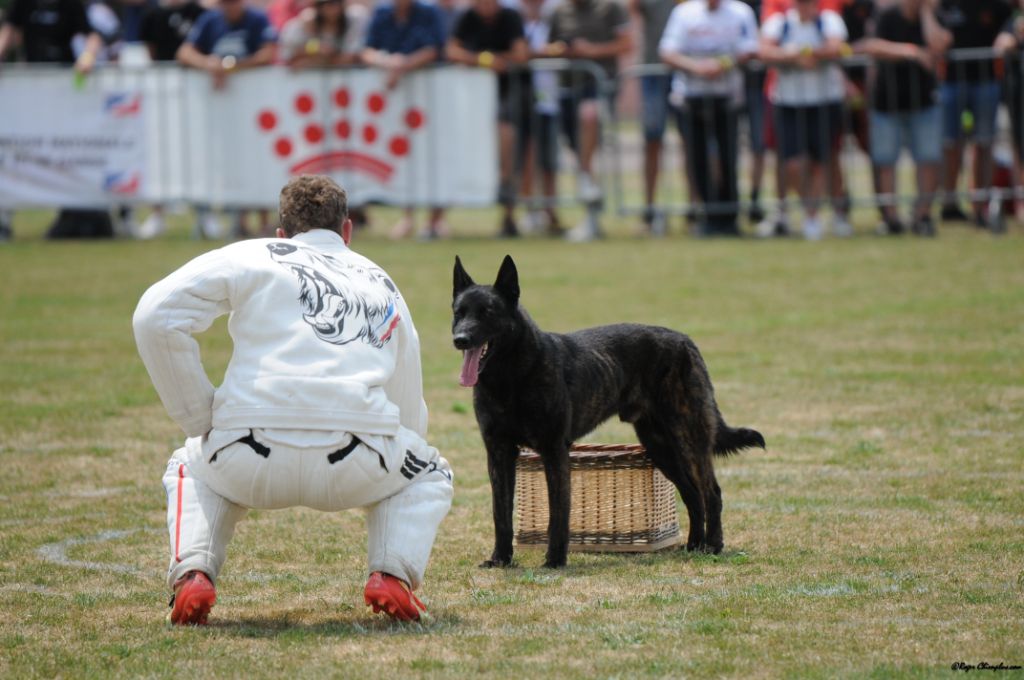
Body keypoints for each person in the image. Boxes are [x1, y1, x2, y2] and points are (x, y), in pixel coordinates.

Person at [132, 175, 453, 625]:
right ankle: (391, 574)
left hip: (244, 449)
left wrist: (197, 416)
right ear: (347, 232)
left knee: (190, 466)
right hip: (358, 457)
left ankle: (193, 573)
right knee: (429, 471)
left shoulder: (251, 253)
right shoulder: (379, 278)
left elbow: (155, 315)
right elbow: (407, 398)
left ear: (280, 233)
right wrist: (399, 455)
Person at [0, 0, 106, 241]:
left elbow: (93, 36)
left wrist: (88, 56)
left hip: (62, 91)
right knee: (16, 152)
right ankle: (5, 217)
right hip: (29, 89)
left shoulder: (70, 4)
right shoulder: (22, 4)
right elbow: (9, 30)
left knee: (67, 151)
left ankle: (72, 213)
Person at [177, 0, 277, 239]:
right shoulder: (210, 20)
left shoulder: (257, 19)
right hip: (221, 110)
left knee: (258, 160)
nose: (228, 6)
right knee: (230, 162)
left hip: (255, 108)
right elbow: (184, 52)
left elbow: (269, 53)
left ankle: (263, 221)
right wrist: (210, 65)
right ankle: (238, 220)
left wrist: (232, 68)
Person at [659, 0, 758, 237]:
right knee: (697, 159)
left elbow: (751, 48)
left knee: (728, 157)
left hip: (728, 97)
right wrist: (696, 67)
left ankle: (729, 217)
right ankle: (709, 216)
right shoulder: (684, 12)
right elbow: (667, 51)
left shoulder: (740, 11)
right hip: (690, 98)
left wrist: (722, 65)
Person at [760, 0, 852, 239]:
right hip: (788, 102)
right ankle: (810, 209)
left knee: (823, 161)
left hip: (825, 101)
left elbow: (838, 47)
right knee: (792, 163)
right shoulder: (779, 23)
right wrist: (795, 56)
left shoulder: (829, 20)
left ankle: (815, 216)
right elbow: (764, 51)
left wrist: (805, 53)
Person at [545, 0, 633, 241]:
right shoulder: (558, 12)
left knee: (589, 115)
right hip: (567, 88)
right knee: (578, 153)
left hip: (598, 86)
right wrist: (561, 50)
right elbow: (548, 46)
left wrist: (590, 51)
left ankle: (587, 187)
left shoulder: (611, 7)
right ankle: (590, 212)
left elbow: (627, 44)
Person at [860, 0, 950, 236]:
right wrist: (911, 52)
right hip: (886, 102)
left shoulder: (934, 14)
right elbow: (869, 45)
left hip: (924, 101)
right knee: (886, 161)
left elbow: (939, 45)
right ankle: (891, 219)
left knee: (928, 159)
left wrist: (927, 14)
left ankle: (922, 216)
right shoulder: (888, 14)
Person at [361, 0, 448, 240]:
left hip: (431, 102)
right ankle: (408, 216)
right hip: (396, 106)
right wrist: (388, 63)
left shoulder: (429, 12)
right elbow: (366, 50)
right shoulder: (381, 13)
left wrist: (402, 66)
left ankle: (436, 219)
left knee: (434, 155)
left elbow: (435, 48)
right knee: (403, 158)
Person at [447, 0, 529, 237]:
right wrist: (486, 60)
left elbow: (521, 54)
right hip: (472, 103)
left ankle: (509, 215)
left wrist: (478, 59)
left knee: (507, 159)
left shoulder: (510, 17)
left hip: (507, 100)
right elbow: (452, 50)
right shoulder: (467, 18)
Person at [936, 0, 1011, 227]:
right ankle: (949, 203)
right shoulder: (942, 4)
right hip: (951, 83)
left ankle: (981, 205)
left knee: (984, 143)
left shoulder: (997, 5)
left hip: (986, 83)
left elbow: (1008, 25)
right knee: (951, 144)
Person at [517, 0, 564, 236]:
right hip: (523, 99)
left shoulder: (555, 12)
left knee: (549, 160)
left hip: (550, 99)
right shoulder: (515, 15)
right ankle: (529, 210)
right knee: (527, 158)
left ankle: (550, 209)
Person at [630, 0, 677, 236]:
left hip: (685, 70)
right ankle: (649, 209)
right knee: (652, 140)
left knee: (695, 142)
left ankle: (697, 210)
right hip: (652, 69)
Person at [994, 0, 1024, 223]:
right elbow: (999, 46)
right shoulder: (1013, 21)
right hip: (1018, 98)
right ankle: (1021, 203)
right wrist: (1015, 38)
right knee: (1019, 149)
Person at [278, 0, 367, 67]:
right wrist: (315, 48)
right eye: (326, 4)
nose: (333, 9)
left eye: (336, 3)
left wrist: (323, 60)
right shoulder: (304, 23)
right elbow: (288, 55)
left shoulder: (354, 19)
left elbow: (353, 55)